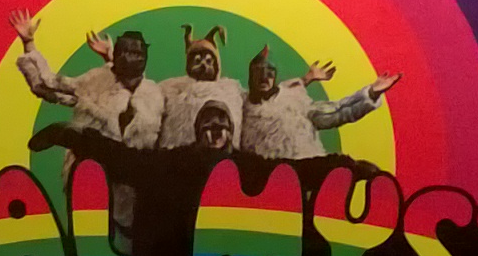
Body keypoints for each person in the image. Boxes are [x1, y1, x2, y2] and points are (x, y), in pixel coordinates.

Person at [10, 10, 163, 148]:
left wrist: (109, 58)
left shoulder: (154, 96)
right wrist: (28, 43)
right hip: (93, 164)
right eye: (124, 52)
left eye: (135, 53)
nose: (130, 57)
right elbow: (47, 85)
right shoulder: (94, 83)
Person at [236, 46, 401, 160]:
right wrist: (306, 78)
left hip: (304, 170)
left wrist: (371, 93)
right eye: (258, 72)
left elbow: (338, 112)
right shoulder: (240, 105)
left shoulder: (293, 102)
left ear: (275, 76)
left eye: (269, 73)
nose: (264, 78)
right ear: (251, 76)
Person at [156, 25, 247, 149]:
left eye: (209, 61)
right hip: (179, 155)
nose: (204, 65)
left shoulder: (231, 92)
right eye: (197, 61)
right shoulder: (173, 90)